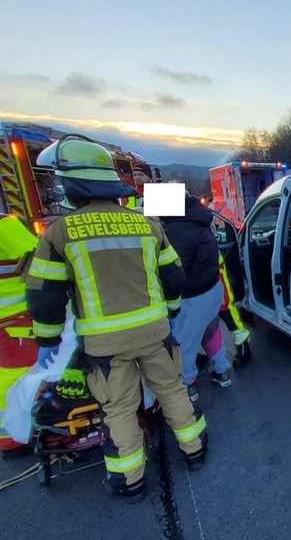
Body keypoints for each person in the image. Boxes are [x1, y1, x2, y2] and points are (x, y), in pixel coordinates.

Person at [25, 135, 208, 500]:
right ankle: (195, 451)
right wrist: (170, 310)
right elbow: (174, 276)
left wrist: (47, 340)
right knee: (171, 389)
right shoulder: (147, 225)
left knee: (119, 408)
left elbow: (44, 294)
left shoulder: (59, 233)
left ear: (71, 185)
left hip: (105, 345)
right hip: (155, 332)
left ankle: (130, 480)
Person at [161, 191, 233, 401]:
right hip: (211, 290)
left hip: (191, 297)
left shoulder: (175, 231)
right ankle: (221, 371)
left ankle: (187, 384)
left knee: (185, 341)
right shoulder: (200, 221)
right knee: (211, 332)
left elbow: (173, 270)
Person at [0, 214, 39, 457]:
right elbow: (40, 257)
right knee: (19, 376)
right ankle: (17, 435)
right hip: (14, 319)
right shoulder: (4, 225)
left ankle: (10, 436)